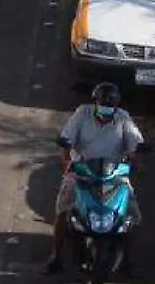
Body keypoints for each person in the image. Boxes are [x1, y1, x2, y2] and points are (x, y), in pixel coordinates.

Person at [45, 82, 145, 274]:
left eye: (110, 105)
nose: (105, 107)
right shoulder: (82, 114)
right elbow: (66, 139)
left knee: (132, 215)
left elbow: (135, 144)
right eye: (102, 103)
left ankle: (128, 261)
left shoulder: (124, 119)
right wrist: (66, 161)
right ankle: (55, 256)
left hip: (114, 174)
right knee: (63, 207)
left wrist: (137, 161)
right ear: (95, 102)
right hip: (82, 170)